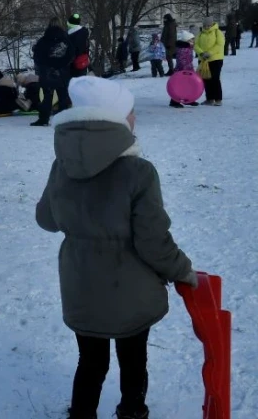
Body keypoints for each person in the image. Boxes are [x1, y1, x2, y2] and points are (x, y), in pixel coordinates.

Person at [35, 77, 197, 419]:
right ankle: (133, 411)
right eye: (131, 112)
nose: (135, 117)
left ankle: (81, 414)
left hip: (81, 284)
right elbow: (153, 240)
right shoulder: (138, 171)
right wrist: (182, 269)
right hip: (130, 288)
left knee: (90, 360)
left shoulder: (61, 165)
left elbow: (47, 220)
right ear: (117, 120)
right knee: (133, 358)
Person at [31, 18, 73, 127]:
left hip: (47, 72)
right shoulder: (66, 40)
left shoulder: (44, 40)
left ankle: (44, 119)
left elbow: (37, 56)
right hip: (63, 72)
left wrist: (47, 64)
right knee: (63, 96)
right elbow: (71, 55)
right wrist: (61, 64)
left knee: (47, 97)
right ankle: (65, 119)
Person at [195, 19, 225, 106]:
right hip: (203, 60)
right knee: (206, 79)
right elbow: (196, 45)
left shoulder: (217, 32)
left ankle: (218, 99)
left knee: (215, 79)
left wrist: (209, 53)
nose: (207, 27)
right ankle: (209, 99)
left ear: (212, 25)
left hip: (216, 59)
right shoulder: (200, 34)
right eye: (205, 26)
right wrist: (201, 52)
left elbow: (219, 44)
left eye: (208, 25)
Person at [169, 30, 199, 109]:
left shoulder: (188, 48)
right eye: (191, 40)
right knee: (179, 86)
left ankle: (189, 99)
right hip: (182, 71)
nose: (193, 41)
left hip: (188, 70)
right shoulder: (183, 49)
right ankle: (174, 101)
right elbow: (182, 60)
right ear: (187, 40)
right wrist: (185, 70)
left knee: (188, 85)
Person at [67, 13, 90, 78]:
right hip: (84, 61)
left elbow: (71, 53)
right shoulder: (84, 32)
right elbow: (87, 46)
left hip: (74, 66)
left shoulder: (70, 36)